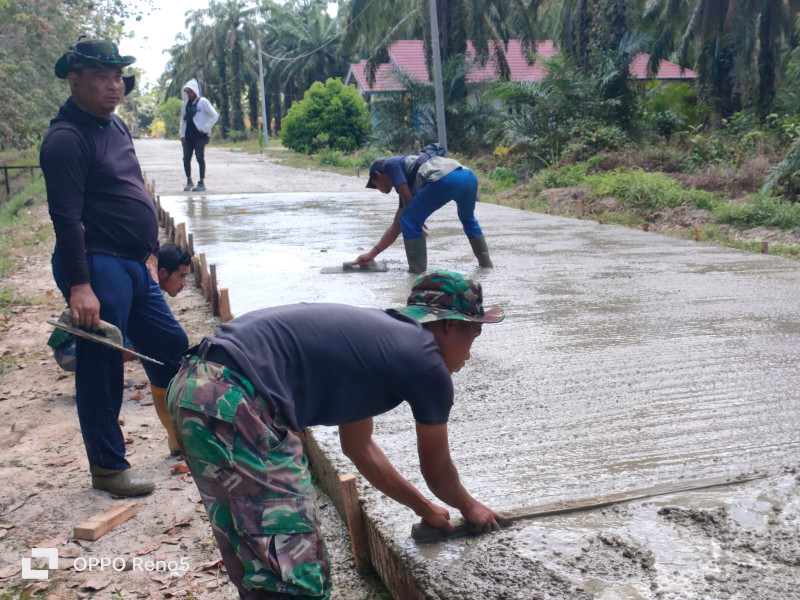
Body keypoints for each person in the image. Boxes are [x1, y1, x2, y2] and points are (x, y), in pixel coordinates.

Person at [167, 270, 504, 598]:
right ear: (449, 325)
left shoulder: (380, 343)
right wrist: (470, 506)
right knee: (296, 574)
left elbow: (359, 448)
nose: (469, 355)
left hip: (195, 388)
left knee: (255, 555)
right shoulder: (427, 364)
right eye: (472, 337)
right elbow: (438, 473)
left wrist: (425, 509)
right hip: (234, 400)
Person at [40, 38, 189, 496]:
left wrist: (149, 248)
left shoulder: (115, 125)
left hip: (133, 264)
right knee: (103, 363)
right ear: (75, 81)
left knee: (171, 345)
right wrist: (80, 286)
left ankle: (183, 436)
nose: (113, 86)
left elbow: (130, 185)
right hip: (96, 264)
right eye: (101, 78)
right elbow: (65, 217)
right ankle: (108, 466)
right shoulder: (66, 139)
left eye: (118, 77)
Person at [356, 154, 494, 273]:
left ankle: (417, 273)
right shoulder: (407, 183)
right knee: (467, 218)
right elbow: (397, 226)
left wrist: (416, 221)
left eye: (375, 185)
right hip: (468, 177)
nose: (378, 189)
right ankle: (486, 265)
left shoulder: (390, 164)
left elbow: (408, 217)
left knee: (408, 218)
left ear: (378, 175)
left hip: (446, 179)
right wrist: (372, 254)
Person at [179, 78, 218, 192]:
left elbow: (214, 115)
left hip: (199, 135)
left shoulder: (203, 102)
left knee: (200, 157)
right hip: (188, 135)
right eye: (187, 91)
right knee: (186, 158)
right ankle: (189, 180)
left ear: (195, 91)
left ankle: (201, 182)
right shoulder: (185, 104)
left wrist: (205, 128)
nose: (189, 93)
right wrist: (182, 134)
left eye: (190, 91)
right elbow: (182, 120)